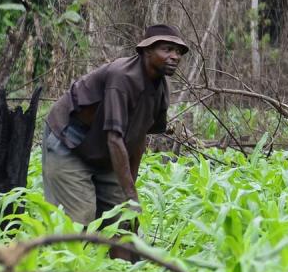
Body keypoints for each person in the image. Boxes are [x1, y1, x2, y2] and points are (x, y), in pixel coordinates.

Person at [41, 25, 187, 239]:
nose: (174, 56)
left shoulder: (161, 87)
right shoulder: (122, 77)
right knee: (77, 222)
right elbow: (114, 138)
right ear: (146, 51)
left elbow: (138, 138)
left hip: (104, 152)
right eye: (167, 49)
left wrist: (130, 191)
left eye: (178, 52)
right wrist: (130, 194)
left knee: (124, 224)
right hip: (70, 142)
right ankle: (63, 271)